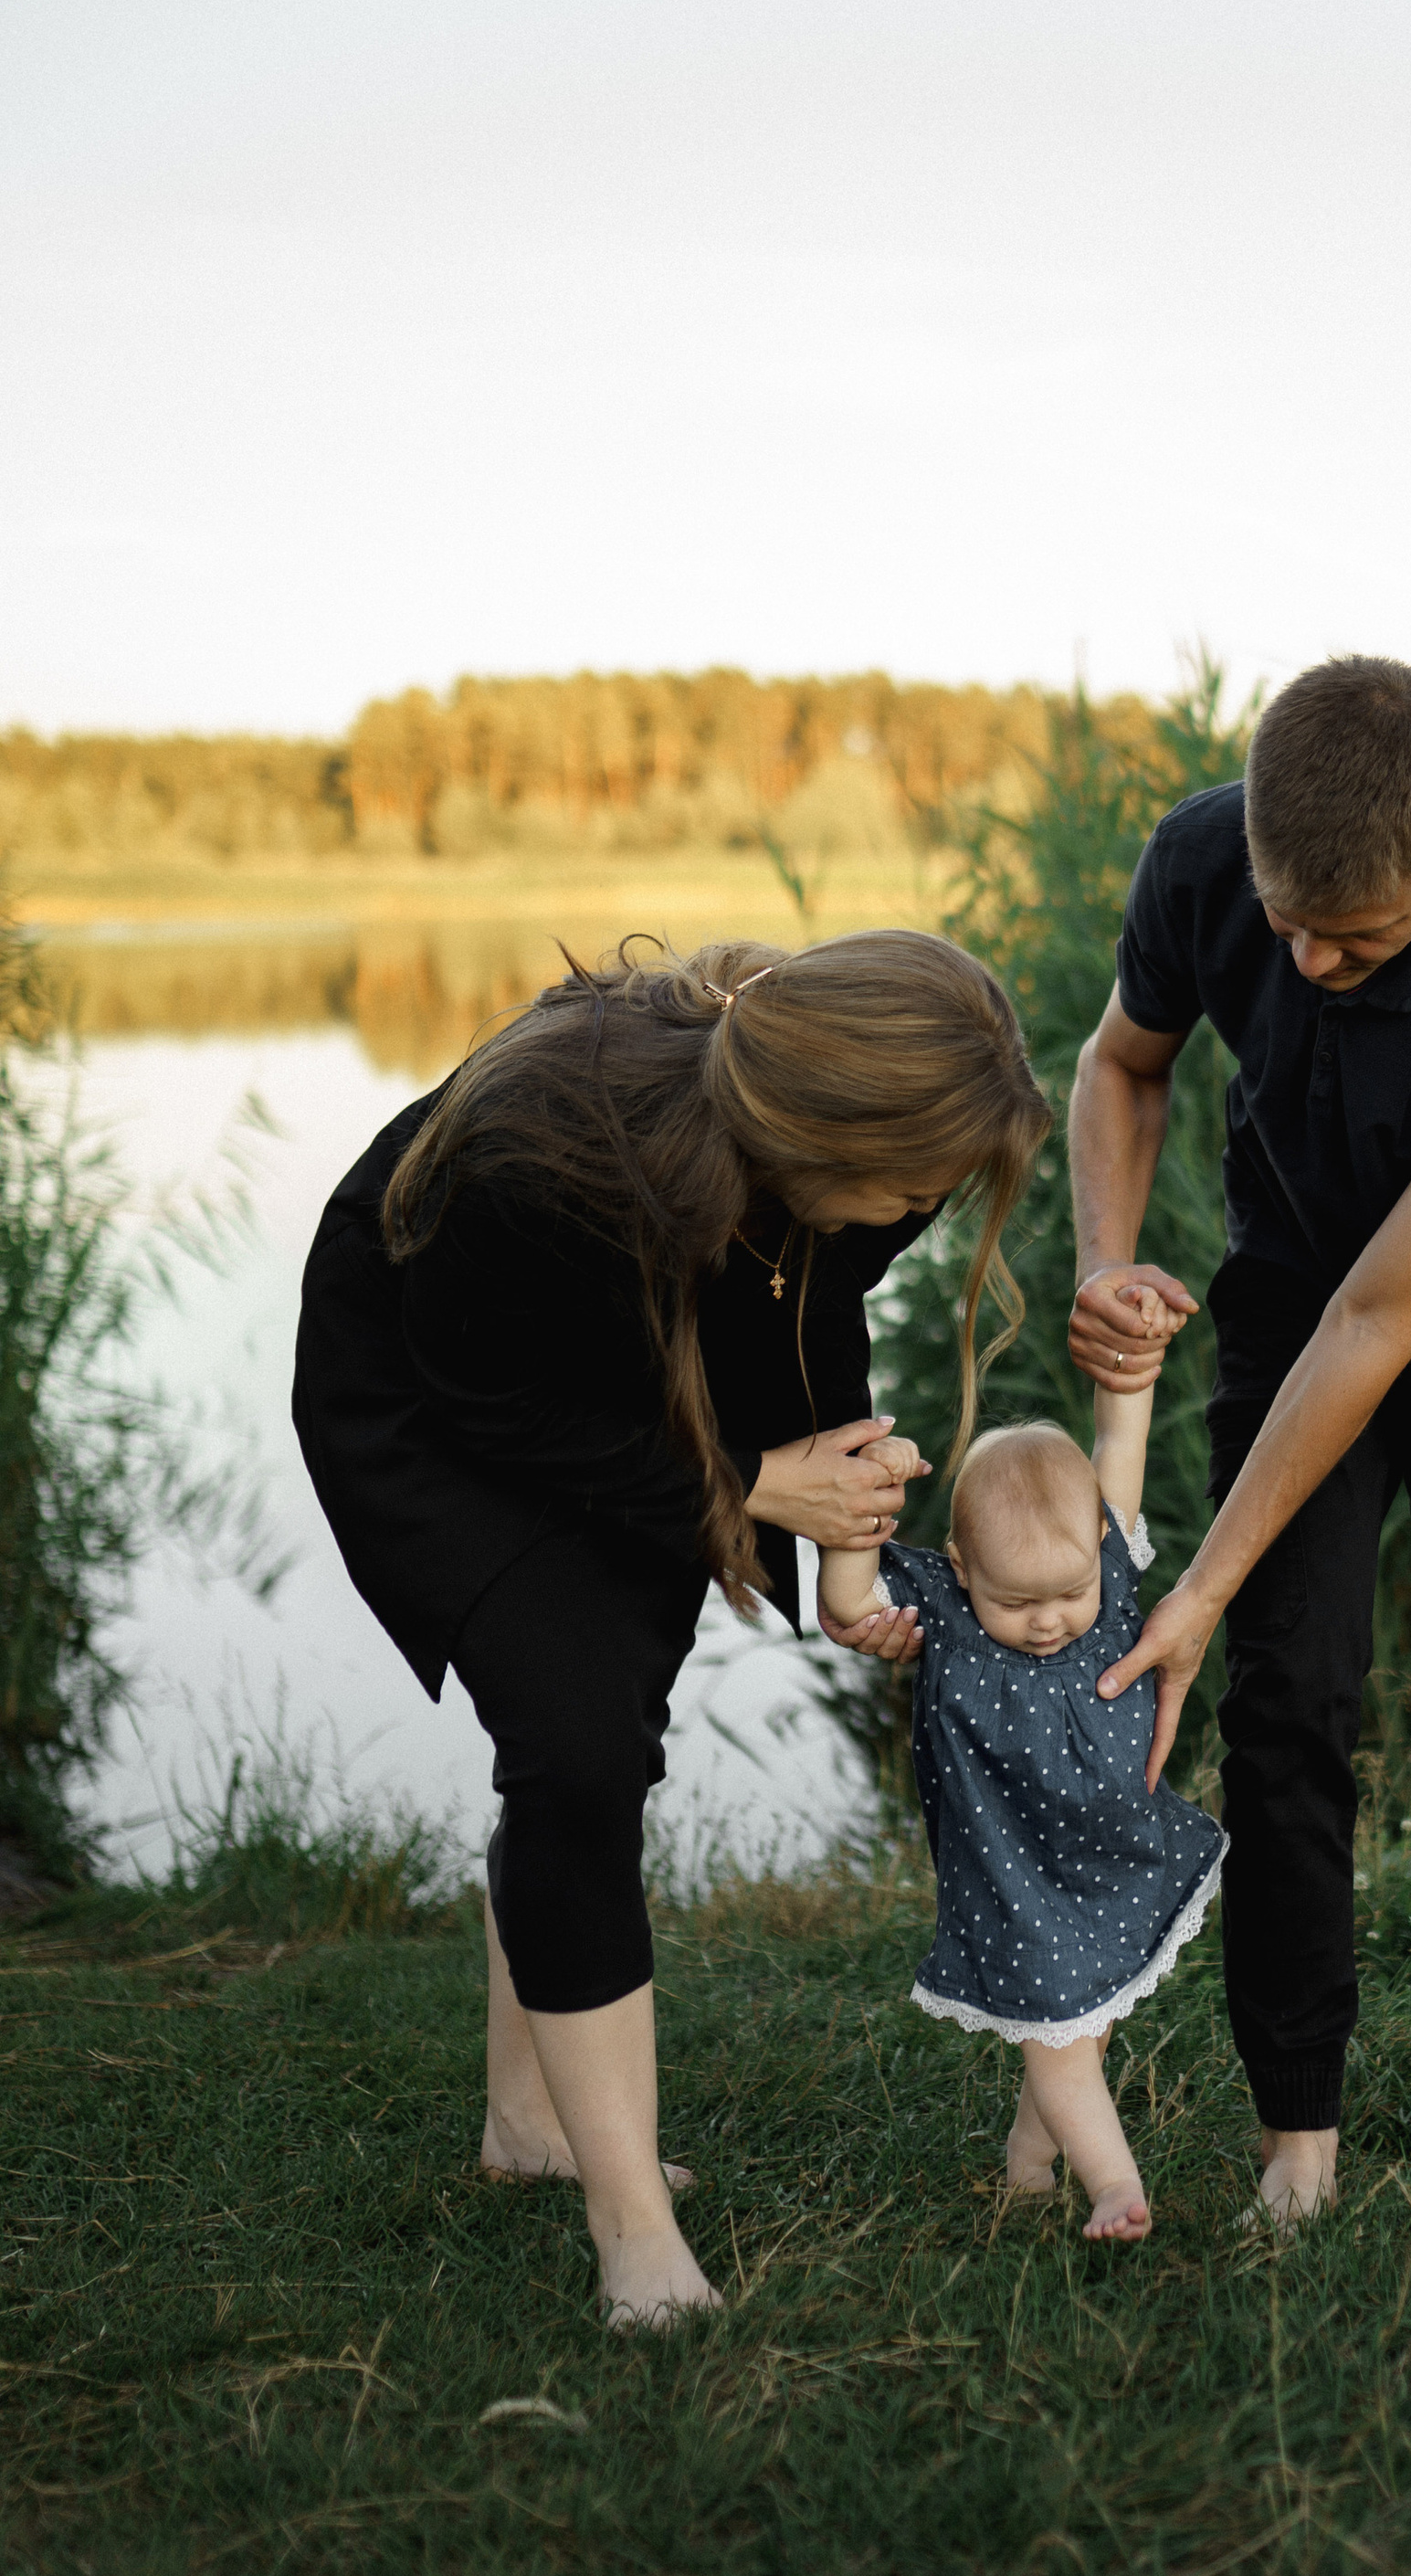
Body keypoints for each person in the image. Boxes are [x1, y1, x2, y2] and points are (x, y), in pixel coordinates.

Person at [292, 931, 1048, 2327]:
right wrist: (756, 1485)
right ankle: (631, 2232)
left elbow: (816, 1299)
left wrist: (844, 1545)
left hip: (656, 1362)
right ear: (822, 1121)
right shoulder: (545, 1147)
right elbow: (493, 1399)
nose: (924, 1207)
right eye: (911, 1180)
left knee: (600, 1726)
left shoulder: (890, 1162)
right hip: (436, 1388)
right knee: (575, 1745)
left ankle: (528, 2126)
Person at [1065, 658, 1411, 2223]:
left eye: (1353, 938)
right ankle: (1294, 2145)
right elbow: (1122, 1064)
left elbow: (1384, 1326)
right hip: (1292, 1289)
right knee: (1293, 1706)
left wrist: (1200, 1584)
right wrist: (1106, 1260)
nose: (1304, 959)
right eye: (1283, 919)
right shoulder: (1200, 857)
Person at [817, 1287, 1220, 2242]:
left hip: (1116, 1851)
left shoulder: (1110, 1568)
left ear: (1095, 1552)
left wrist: (1133, 1364)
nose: (1048, 1620)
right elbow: (848, 1595)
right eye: (1016, 1601)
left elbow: (1118, 1447)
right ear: (959, 1567)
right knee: (1062, 2036)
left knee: (1090, 2014)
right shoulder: (947, 1616)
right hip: (1010, 1875)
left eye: (1068, 1594)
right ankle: (1115, 2185)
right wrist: (866, 1497)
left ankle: (1028, 2164)